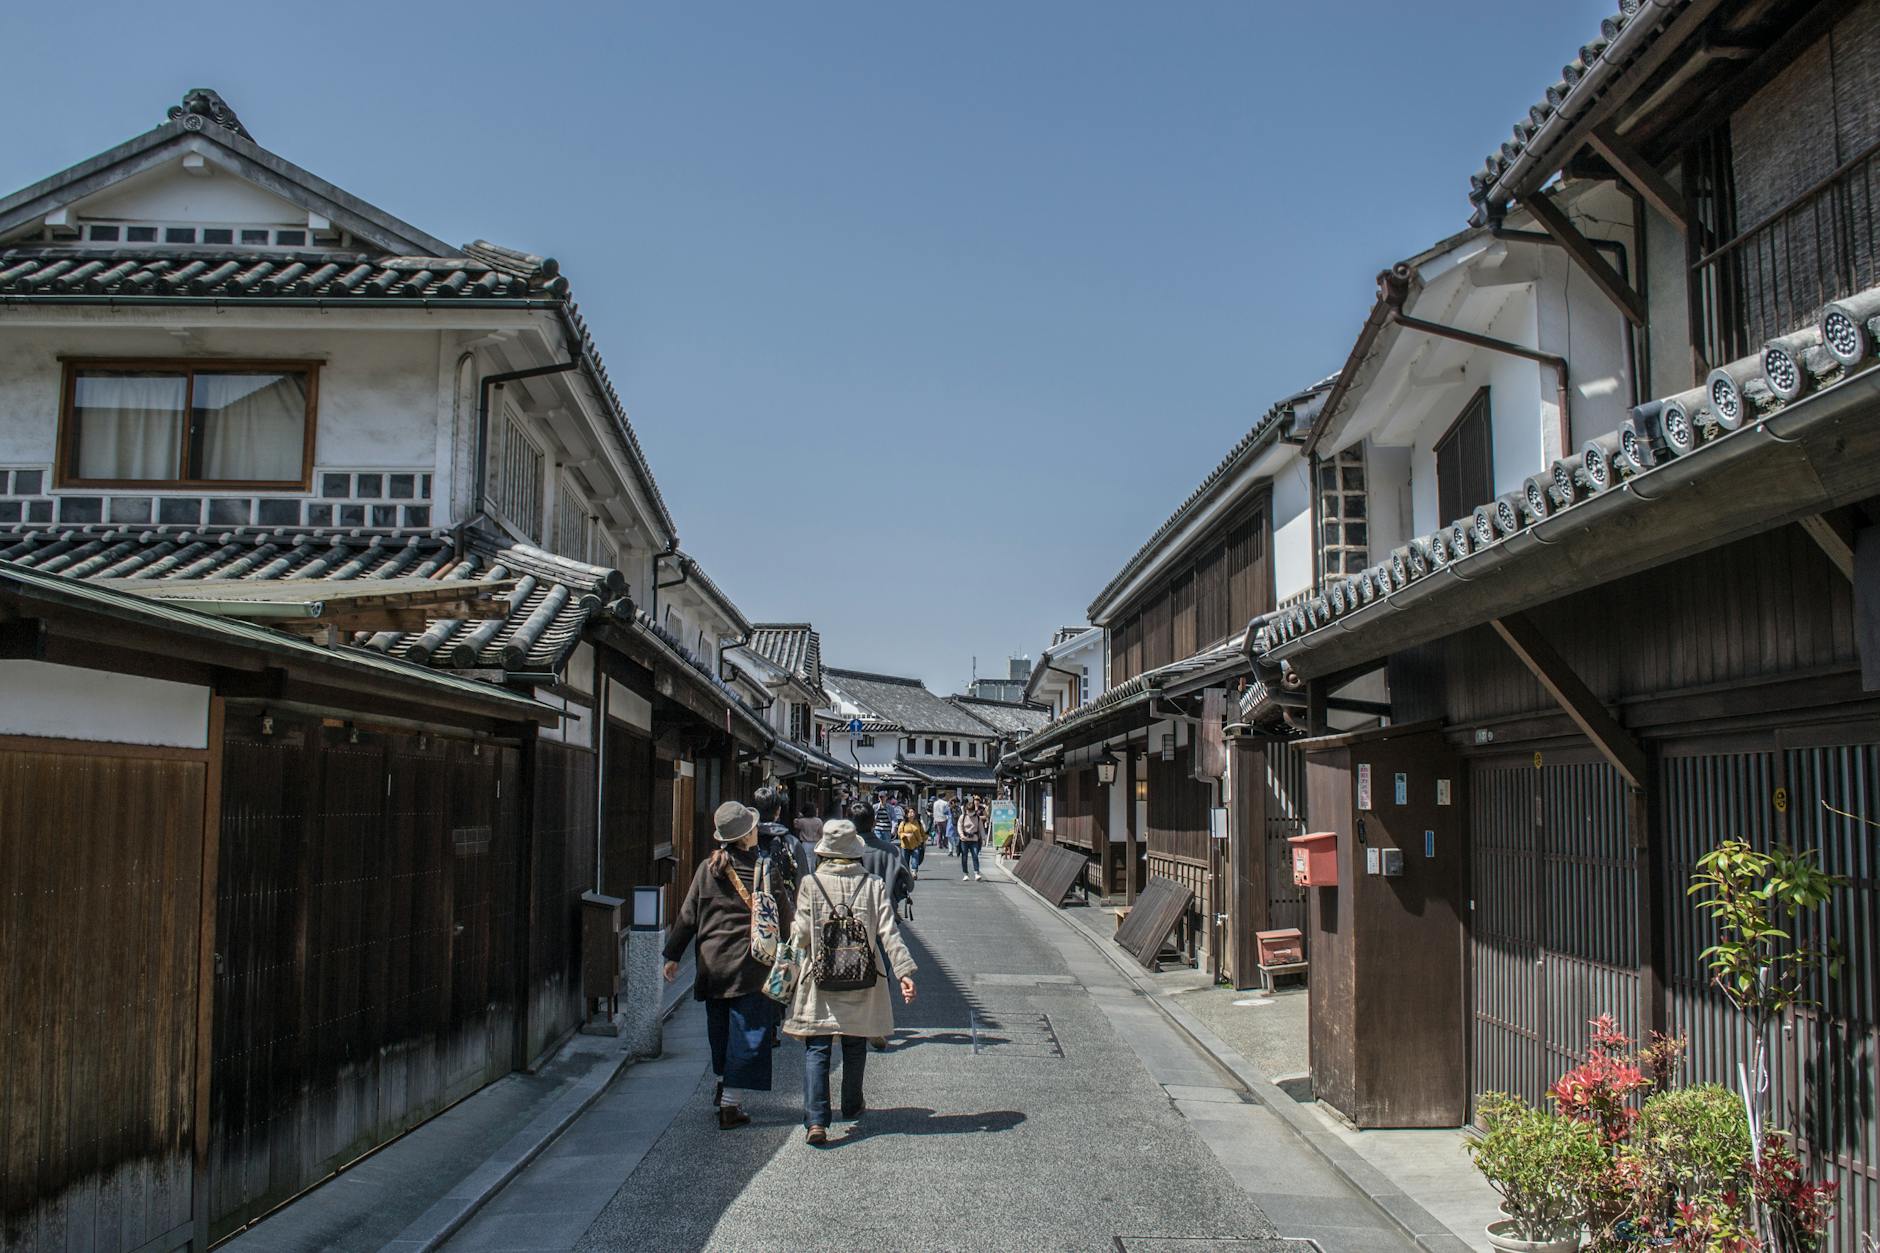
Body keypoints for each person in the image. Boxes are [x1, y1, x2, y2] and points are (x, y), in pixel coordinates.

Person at [784, 818, 917, 1144]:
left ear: (825, 852)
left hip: (820, 978)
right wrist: (903, 972)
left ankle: (817, 1121)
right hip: (862, 977)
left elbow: (800, 935)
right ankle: (852, 1103)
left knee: (818, 1047)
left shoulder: (811, 885)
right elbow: (889, 932)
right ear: (855, 852)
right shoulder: (873, 885)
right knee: (855, 1041)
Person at [662, 801, 785, 1129]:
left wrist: (672, 956)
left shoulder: (707, 868)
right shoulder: (765, 869)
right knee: (748, 1032)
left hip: (712, 963)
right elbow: (784, 918)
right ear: (746, 836)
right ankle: (730, 1103)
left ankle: (723, 1084)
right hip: (752, 965)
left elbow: (688, 915)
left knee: (719, 1031)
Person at [958, 799, 985, 881]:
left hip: (974, 839)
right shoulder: (962, 817)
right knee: (964, 856)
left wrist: (983, 838)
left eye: (971, 811)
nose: (970, 813)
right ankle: (965, 874)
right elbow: (959, 827)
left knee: (975, 855)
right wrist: (961, 835)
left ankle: (977, 873)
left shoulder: (977, 818)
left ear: (974, 810)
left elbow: (981, 828)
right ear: (966, 810)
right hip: (964, 839)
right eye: (968, 811)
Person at [896, 808, 927, 876]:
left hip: (916, 845)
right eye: (910, 812)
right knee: (905, 861)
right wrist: (905, 835)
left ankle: (914, 872)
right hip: (905, 845)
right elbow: (899, 833)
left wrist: (924, 841)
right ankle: (907, 873)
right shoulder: (903, 823)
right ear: (907, 814)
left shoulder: (918, 822)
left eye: (913, 812)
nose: (912, 814)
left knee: (915, 859)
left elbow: (922, 833)